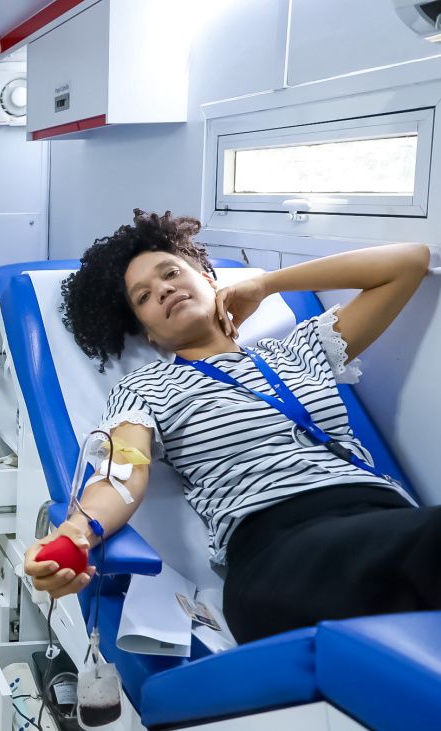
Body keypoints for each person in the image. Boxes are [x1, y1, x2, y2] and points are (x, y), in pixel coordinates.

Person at [22, 210, 437, 643]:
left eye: (171, 273)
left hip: (384, 517)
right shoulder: (145, 388)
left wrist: (265, 284)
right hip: (279, 554)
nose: (163, 289)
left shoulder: (299, 351)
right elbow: (122, 474)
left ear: (209, 280)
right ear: (149, 336)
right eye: (144, 297)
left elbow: (409, 261)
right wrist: (75, 534)